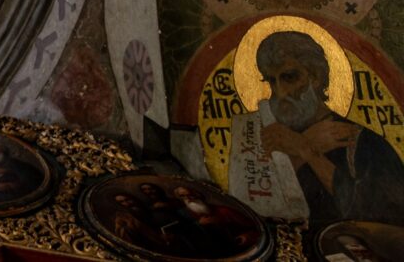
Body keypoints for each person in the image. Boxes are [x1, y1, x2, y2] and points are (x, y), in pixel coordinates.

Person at [251, 31, 404, 223]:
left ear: (315, 77)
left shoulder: (363, 142)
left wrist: (307, 150)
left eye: (289, 78)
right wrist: (302, 149)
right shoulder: (272, 137)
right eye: (272, 81)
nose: (280, 93)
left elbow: (384, 213)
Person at [171, 185, 257, 256]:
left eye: (191, 194)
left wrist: (247, 236)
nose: (188, 198)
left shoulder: (224, 211)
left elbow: (254, 228)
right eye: (182, 196)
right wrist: (199, 224)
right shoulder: (183, 216)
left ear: (198, 194)